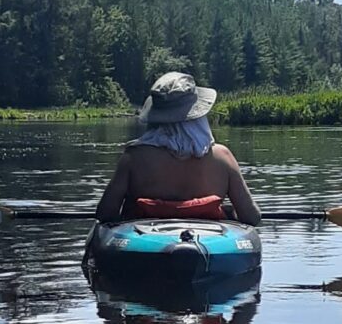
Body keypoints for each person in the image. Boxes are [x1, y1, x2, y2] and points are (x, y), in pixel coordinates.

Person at [95, 72, 261, 225]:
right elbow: (251, 217)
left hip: (146, 247)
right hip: (208, 244)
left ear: (156, 117)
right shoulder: (222, 157)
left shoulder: (134, 157)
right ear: (198, 115)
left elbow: (105, 214)